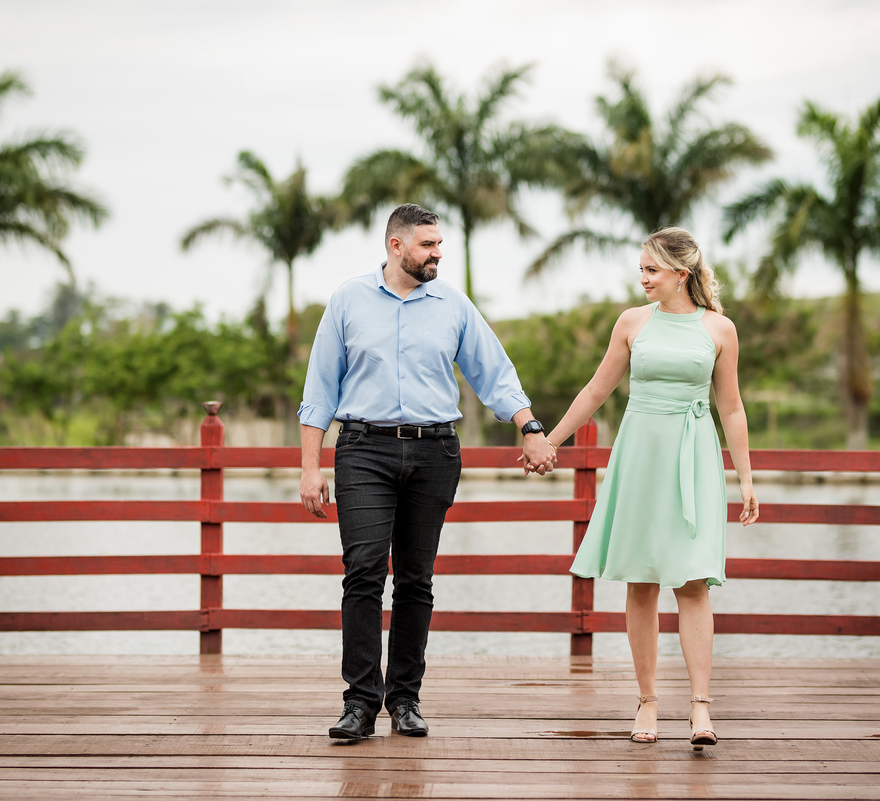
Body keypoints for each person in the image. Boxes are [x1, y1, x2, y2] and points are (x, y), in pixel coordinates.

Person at [298, 203, 556, 741]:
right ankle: (360, 703)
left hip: (435, 450)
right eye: (428, 245)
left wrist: (531, 427)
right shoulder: (348, 299)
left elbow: (495, 372)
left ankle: (406, 699)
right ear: (396, 246)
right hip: (364, 449)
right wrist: (310, 467)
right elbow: (319, 389)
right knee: (365, 570)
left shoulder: (453, 305)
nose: (438, 254)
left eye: (440, 244)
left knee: (416, 578)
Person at [536, 226, 758, 747]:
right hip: (639, 455)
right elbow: (596, 389)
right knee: (641, 580)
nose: (643, 278)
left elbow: (731, 407)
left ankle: (701, 708)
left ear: (681, 274)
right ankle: (648, 702)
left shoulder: (720, 329)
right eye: (641, 268)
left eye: (651, 270)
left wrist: (746, 478)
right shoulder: (632, 323)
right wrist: (551, 441)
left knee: (693, 582)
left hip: (694, 455)